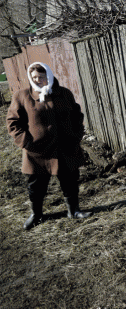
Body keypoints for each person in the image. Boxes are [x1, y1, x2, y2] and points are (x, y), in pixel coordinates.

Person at [6, 62, 91, 230]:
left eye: (42, 77)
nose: (37, 80)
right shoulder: (22, 96)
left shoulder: (64, 93)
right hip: (37, 152)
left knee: (70, 181)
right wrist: (26, 143)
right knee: (36, 186)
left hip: (65, 148)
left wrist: (76, 135)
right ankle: (36, 215)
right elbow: (13, 123)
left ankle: (73, 211)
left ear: (49, 76)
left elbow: (77, 115)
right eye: (34, 77)